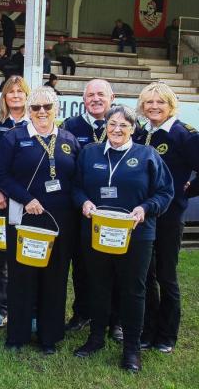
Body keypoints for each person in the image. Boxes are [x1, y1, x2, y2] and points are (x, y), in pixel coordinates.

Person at [73, 105, 173, 372]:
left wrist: (145, 208)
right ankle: (96, 339)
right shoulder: (89, 153)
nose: (117, 129)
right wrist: (83, 202)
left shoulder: (147, 155)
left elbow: (165, 192)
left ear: (133, 129)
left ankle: (131, 349)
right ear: (105, 126)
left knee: (133, 290)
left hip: (136, 236)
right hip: (96, 233)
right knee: (98, 285)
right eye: (112, 124)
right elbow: (76, 187)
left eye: (124, 125)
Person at [0, 86, 80, 354]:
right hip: (24, 216)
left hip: (61, 221)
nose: (41, 112)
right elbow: (1, 176)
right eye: (35, 107)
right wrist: (26, 198)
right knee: (22, 275)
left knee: (55, 277)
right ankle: (17, 336)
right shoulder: (13, 138)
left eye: (47, 107)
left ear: (57, 109)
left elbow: (76, 179)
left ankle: (49, 337)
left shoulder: (68, 139)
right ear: (28, 111)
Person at [134, 82, 199, 353]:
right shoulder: (139, 134)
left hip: (170, 216)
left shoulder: (185, 135)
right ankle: (147, 331)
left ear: (171, 105)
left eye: (160, 102)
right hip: (144, 216)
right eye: (149, 102)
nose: (154, 107)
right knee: (145, 274)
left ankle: (167, 335)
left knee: (166, 275)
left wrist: (188, 190)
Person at [61, 79, 124, 341]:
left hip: (117, 210)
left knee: (117, 265)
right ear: (83, 99)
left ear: (112, 97)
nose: (96, 99)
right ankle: (82, 312)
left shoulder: (125, 124)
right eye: (90, 95)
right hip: (82, 208)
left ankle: (116, 319)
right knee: (82, 263)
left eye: (101, 94)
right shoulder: (71, 126)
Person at [0, 76, 30, 328]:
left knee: (25, 254)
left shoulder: (35, 124)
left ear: (27, 96)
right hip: (0, 200)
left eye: (19, 92)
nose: (15, 96)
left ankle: (24, 308)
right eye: (10, 92)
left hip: (27, 202)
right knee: (0, 256)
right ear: (4, 97)